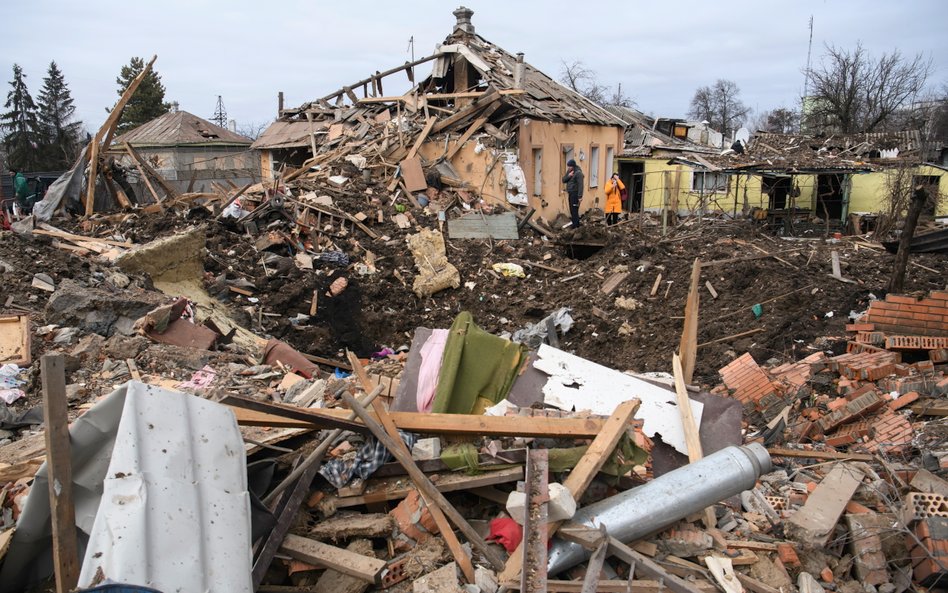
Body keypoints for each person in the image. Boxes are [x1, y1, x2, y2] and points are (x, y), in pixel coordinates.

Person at [562, 158, 584, 228]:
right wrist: (569, 176)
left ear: (573, 166)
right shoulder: (570, 171)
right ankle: (575, 224)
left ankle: (576, 226)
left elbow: (581, 185)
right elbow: (563, 180)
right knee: (571, 210)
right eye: (568, 166)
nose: (568, 168)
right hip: (570, 193)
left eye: (570, 166)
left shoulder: (578, 173)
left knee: (574, 210)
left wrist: (580, 196)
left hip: (575, 194)